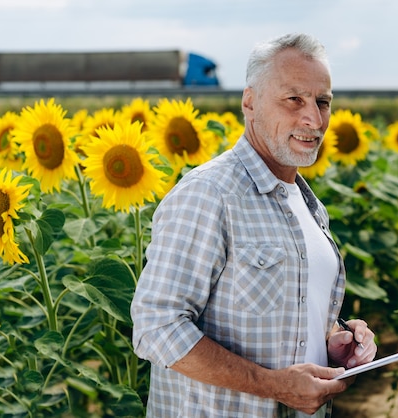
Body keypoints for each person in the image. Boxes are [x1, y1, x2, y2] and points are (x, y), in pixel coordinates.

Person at [131, 32, 377, 417]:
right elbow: (155, 327)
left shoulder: (310, 207)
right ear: (250, 101)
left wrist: (332, 342)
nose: (313, 118)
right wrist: (275, 386)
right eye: (293, 99)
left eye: (323, 101)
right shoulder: (210, 194)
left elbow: (291, 318)